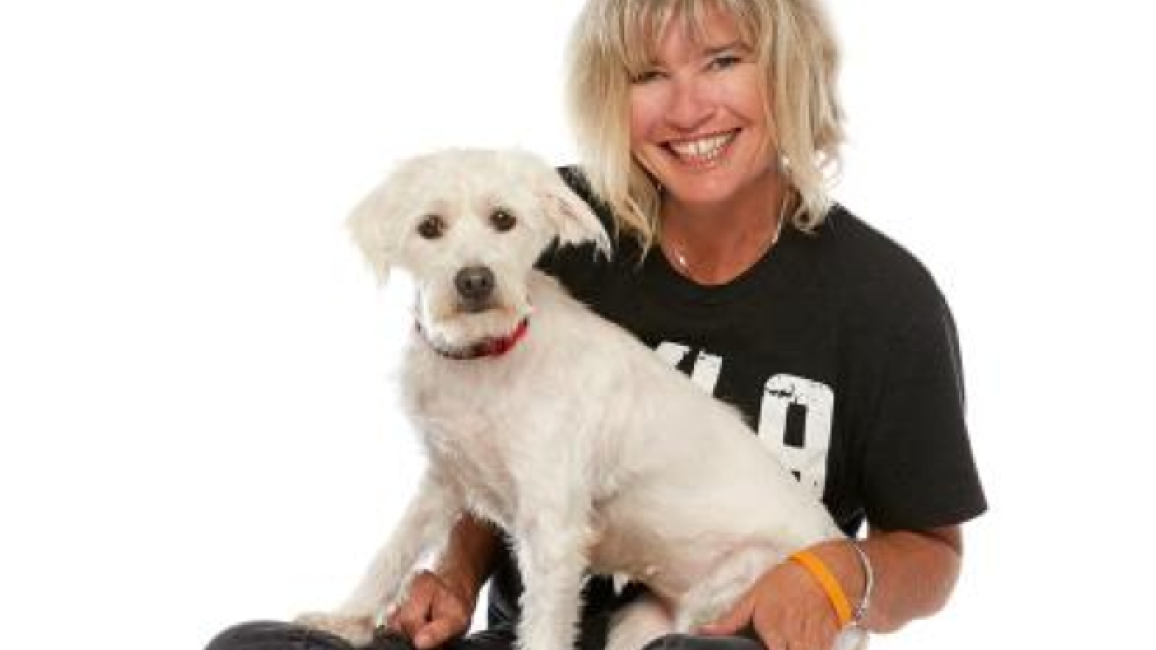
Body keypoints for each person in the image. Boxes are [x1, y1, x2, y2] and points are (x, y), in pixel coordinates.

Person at [205, 1, 986, 650]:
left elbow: (933, 553)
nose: (687, 109)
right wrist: (454, 577)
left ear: (789, 68)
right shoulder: (555, 230)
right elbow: (483, 437)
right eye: (649, 75)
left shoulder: (886, 301)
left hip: (736, 629)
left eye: (722, 61)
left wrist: (834, 574)